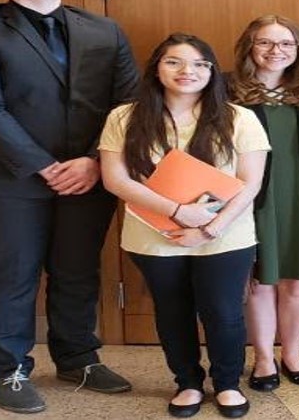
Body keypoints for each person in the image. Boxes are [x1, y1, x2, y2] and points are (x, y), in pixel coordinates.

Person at [0, 0, 137, 414]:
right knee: (13, 273)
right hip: (8, 178)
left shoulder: (105, 30)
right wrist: (44, 166)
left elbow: (128, 104)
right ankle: (8, 370)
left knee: (78, 269)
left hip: (89, 174)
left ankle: (77, 358)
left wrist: (95, 160)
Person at [99, 33, 270, 418]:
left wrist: (209, 228)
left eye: (199, 64)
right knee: (172, 311)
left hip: (225, 236)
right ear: (156, 69)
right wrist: (178, 211)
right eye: (173, 61)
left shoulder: (239, 117)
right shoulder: (124, 117)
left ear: (212, 71)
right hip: (153, 235)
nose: (186, 71)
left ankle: (227, 384)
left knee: (223, 312)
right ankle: (188, 383)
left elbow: (251, 183)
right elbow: (116, 180)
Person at [230, 15, 299, 391]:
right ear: (249, 47)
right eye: (265, 42)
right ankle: (263, 357)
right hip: (251, 198)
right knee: (260, 283)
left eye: (286, 43)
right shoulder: (227, 92)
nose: (276, 51)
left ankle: (292, 353)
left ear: (298, 49)